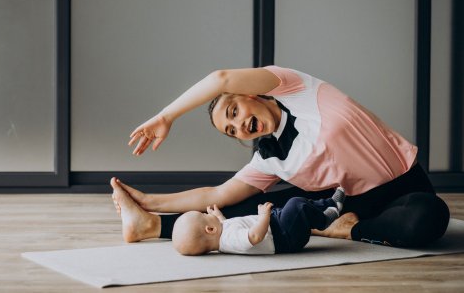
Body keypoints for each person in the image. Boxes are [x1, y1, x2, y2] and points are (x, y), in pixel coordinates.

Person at [112, 66, 450, 248]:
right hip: (342, 204)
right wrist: (147, 199)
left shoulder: (295, 87)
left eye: (233, 111)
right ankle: (151, 225)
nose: (239, 126)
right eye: (231, 131)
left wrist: (167, 116)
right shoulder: (270, 159)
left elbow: (220, 79)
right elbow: (215, 196)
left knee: (431, 216)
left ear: (251, 94)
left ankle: (343, 230)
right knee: (256, 209)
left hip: (406, 187)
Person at [172, 188, 345, 256]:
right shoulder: (230, 239)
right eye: (203, 215)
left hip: (278, 228)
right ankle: (324, 218)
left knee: (292, 208)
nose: (206, 214)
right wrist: (263, 216)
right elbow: (254, 237)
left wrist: (217, 216)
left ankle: (326, 207)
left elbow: (226, 224)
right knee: (295, 205)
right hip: (284, 237)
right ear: (210, 229)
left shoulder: (224, 235)